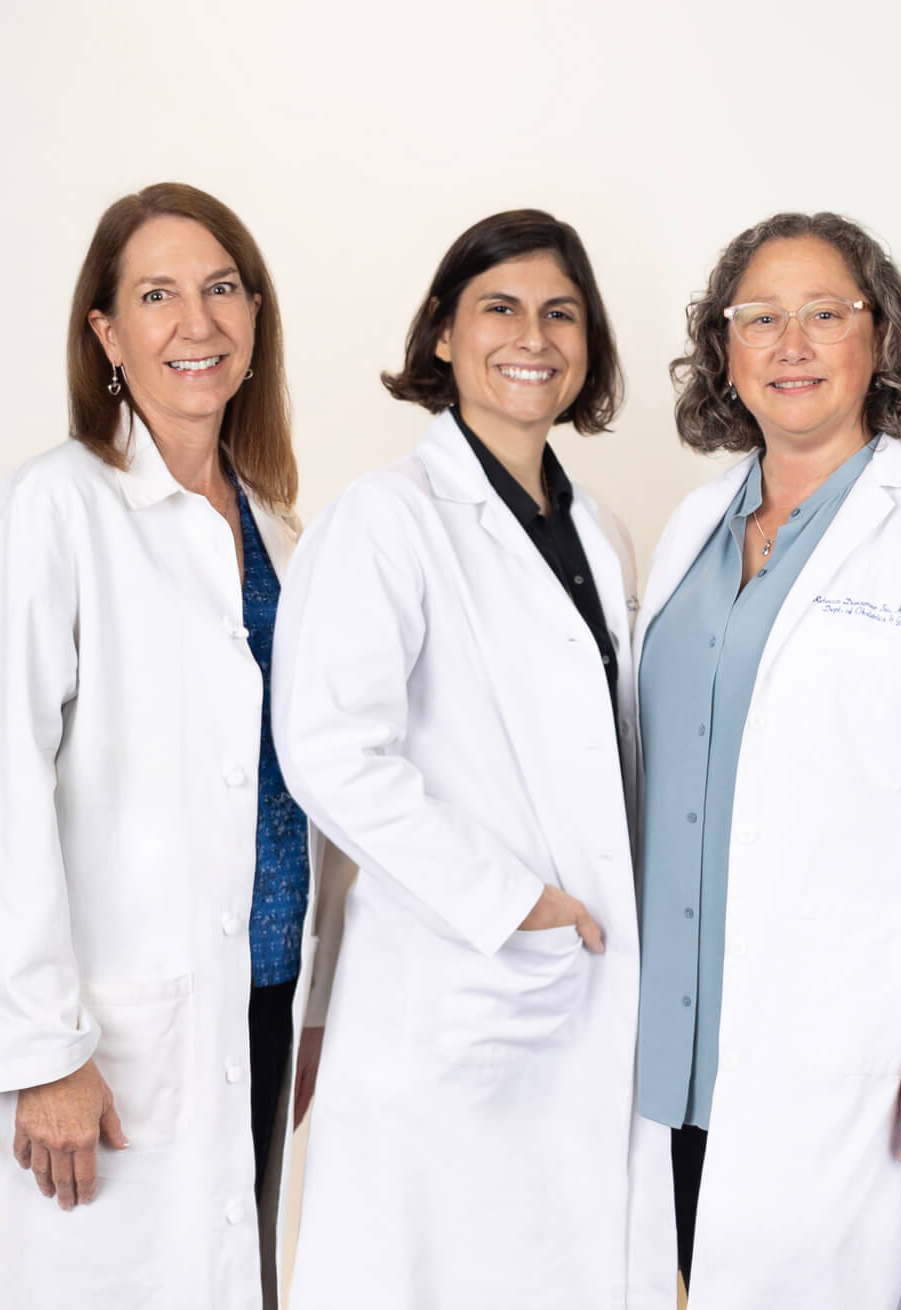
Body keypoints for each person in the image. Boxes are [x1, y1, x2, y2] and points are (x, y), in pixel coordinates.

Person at [271, 209, 675, 1310]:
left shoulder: (597, 526)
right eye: (498, 307)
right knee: (435, 1267)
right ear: (443, 335)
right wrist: (514, 904)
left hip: (576, 992)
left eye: (560, 312)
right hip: (459, 985)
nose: (530, 335)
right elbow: (329, 752)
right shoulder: (386, 518)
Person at [634, 211, 901, 1308]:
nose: (791, 343)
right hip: (668, 1042)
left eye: (826, 314)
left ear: (882, 337)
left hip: (844, 1043)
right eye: (758, 318)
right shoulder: (690, 525)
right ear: (725, 352)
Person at [0, 182, 349, 1310]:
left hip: (261, 992)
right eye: (157, 294)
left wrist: (318, 1007)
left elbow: (314, 782)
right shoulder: (59, 506)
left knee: (235, 1279)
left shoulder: (283, 528)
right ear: (106, 334)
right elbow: (1, 778)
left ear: (256, 317)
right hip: (114, 1025)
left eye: (222, 287)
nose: (198, 322)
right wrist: (41, 1045)